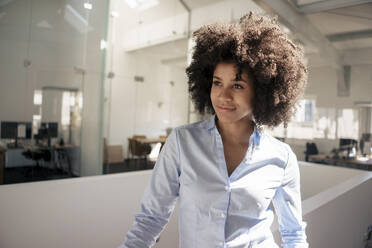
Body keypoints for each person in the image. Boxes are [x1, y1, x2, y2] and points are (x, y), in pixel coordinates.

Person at [118, 12, 309, 248]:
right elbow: (150, 219)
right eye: (217, 82)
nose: (223, 95)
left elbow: (293, 234)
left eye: (237, 85)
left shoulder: (281, 157)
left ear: (262, 91)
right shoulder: (182, 142)